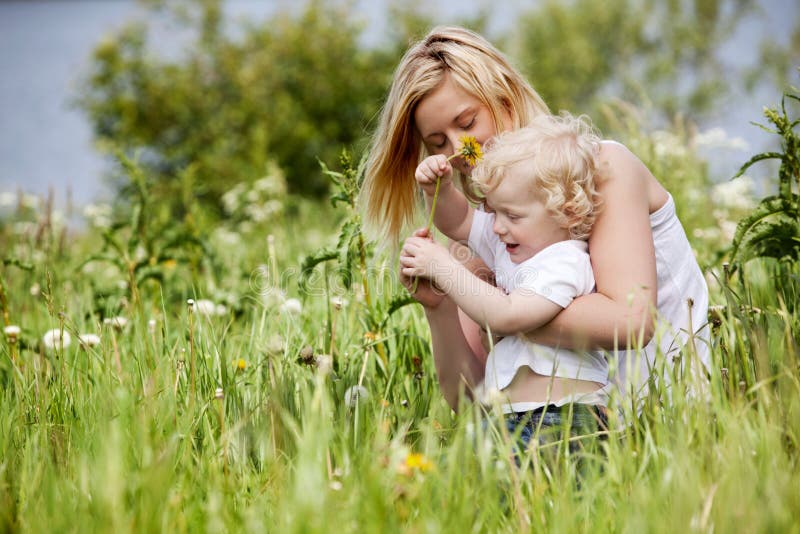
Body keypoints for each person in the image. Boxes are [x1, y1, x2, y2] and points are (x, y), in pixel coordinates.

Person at [359, 26, 709, 428]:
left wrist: (499, 307)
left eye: (467, 121)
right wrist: (441, 308)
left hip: (670, 425)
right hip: (552, 445)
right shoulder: (502, 237)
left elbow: (631, 323)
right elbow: (478, 402)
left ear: (505, 99)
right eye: (437, 142)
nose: (457, 150)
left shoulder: (602, 170)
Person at [401, 114, 610, 437]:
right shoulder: (511, 242)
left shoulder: (565, 261)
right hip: (508, 419)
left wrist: (443, 267)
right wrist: (439, 191)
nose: (497, 226)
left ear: (566, 213)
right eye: (494, 211)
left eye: (511, 214)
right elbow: (458, 222)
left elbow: (507, 316)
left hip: (563, 418)